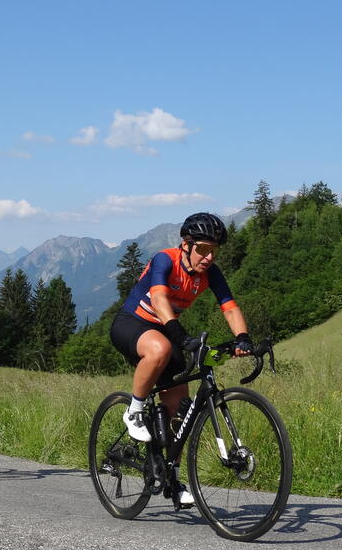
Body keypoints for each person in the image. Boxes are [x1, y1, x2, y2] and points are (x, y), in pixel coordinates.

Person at [109, 212, 254, 504]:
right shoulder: (166, 260)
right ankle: (134, 411)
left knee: (179, 411)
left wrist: (242, 338)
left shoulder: (210, 272)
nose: (209, 256)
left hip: (168, 330)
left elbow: (229, 306)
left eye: (214, 250)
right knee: (160, 349)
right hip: (132, 324)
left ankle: (169, 477)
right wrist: (180, 334)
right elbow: (160, 298)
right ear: (185, 245)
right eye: (202, 249)